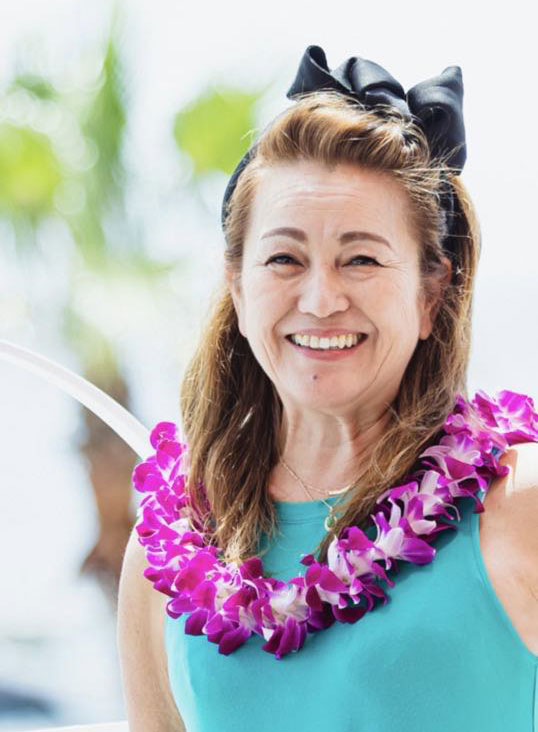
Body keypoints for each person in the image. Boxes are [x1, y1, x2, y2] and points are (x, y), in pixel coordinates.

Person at [117, 46, 538, 732]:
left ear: (431, 294)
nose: (320, 299)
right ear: (238, 288)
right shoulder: (167, 547)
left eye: (361, 258)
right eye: (284, 258)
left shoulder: (522, 506)